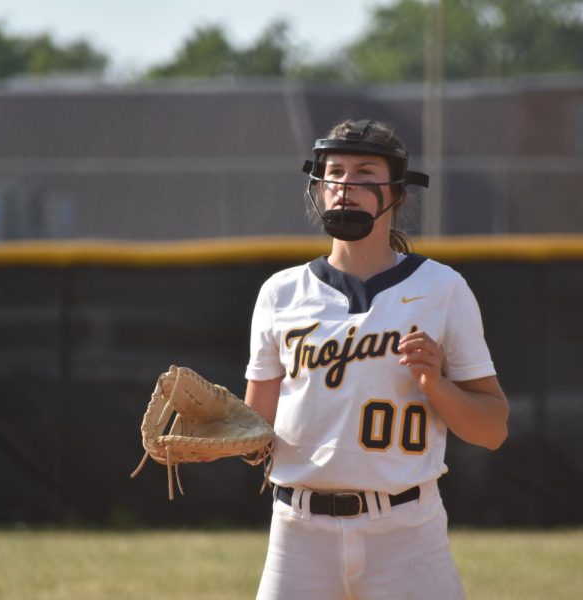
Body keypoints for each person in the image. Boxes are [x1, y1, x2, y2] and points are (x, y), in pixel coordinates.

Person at [244, 118, 509, 599]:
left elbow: (492, 429)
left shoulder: (442, 289)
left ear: (397, 192)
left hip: (407, 532)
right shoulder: (280, 293)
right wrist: (214, 437)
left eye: (365, 173)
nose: (346, 186)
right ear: (318, 189)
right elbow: (254, 433)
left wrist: (436, 384)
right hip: (298, 533)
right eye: (335, 173)